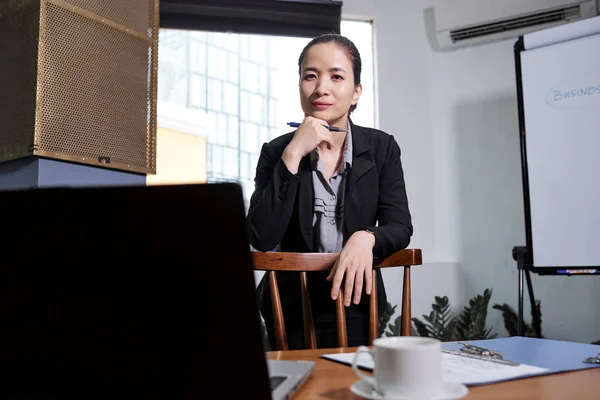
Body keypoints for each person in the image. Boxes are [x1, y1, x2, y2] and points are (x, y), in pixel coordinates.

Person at [247, 33, 412, 350]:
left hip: (356, 298)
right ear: (299, 86)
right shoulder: (277, 151)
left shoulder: (381, 148)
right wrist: (293, 154)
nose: (321, 87)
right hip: (291, 303)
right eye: (311, 76)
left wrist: (367, 236)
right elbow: (261, 235)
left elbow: (400, 226)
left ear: (356, 92)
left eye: (336, 76)